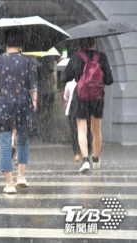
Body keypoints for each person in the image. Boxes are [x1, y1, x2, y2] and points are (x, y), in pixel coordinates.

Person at [0, 27, 38, 194]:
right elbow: (33, 86)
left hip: (4, 104)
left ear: (6, 43)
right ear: (20, 44)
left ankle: (9, 184)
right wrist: (34, 102)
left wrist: (2, 82)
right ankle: (21, 176)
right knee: (22, 141)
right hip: (24, 104)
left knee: (5, 143)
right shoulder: (29, 61)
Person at [61, 37, 113, 174]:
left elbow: (64, 77)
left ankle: (85, 161)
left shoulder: (76, 57)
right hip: (97, 98)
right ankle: (95, 158)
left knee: (82, 129)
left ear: (79, 43)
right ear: (94, 42)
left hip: (81, 97)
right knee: (96, 130)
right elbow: (109, 80)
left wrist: (78, 74)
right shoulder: (101, 57)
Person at [63, 79, 92, 163]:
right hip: (85, 110)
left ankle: (77, 153)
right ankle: (86, 152)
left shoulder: (69, 83)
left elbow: (65, 97)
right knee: (87, 132)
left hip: (72, 111)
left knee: (75, 132)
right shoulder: (88, 81)